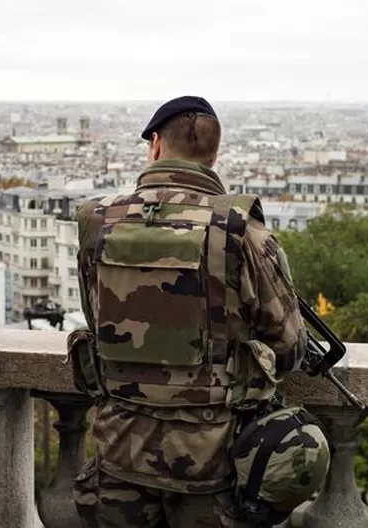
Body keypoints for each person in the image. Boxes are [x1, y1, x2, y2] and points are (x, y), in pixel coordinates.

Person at [67, 96, 331, 527]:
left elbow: (94, 318)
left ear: (155, 145)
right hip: (212, 463)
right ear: (214, 155)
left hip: (119, 453)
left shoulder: (98, 221)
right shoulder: (241, 230)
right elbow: (288, 347)